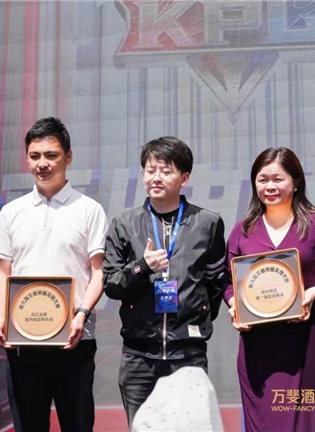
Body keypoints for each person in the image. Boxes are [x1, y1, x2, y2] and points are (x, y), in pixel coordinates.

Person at [0, 117, 108, 432]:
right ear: (27, 159)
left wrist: (82, 313)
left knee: (78, 425)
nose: (43, 163)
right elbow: (0, 271)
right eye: (35, 156)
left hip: (75, 340)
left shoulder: (88, 209)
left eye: (51, 155)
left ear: (68, 157)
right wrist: (0, 315)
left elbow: (99, 272)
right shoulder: (11, 212)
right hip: (23, 342)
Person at [224, 147, 315, 432]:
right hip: (258, 348)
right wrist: (235, 306)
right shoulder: (242, 230)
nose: (269, 186)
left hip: (307, 344)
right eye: (262, 180)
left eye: (278, 179)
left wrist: (311, 294)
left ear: (296, 182)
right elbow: (227, 282)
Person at [102, 136, 227, 428]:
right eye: (150, 170)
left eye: (166, 170)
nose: (156, 177)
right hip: (138, 356)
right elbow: (111, 284)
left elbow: (215, 280)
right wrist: (142, 267)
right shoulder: (124, 224)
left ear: (185, 178)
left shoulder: (207, 223)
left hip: (188, 353)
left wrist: (198, 316)